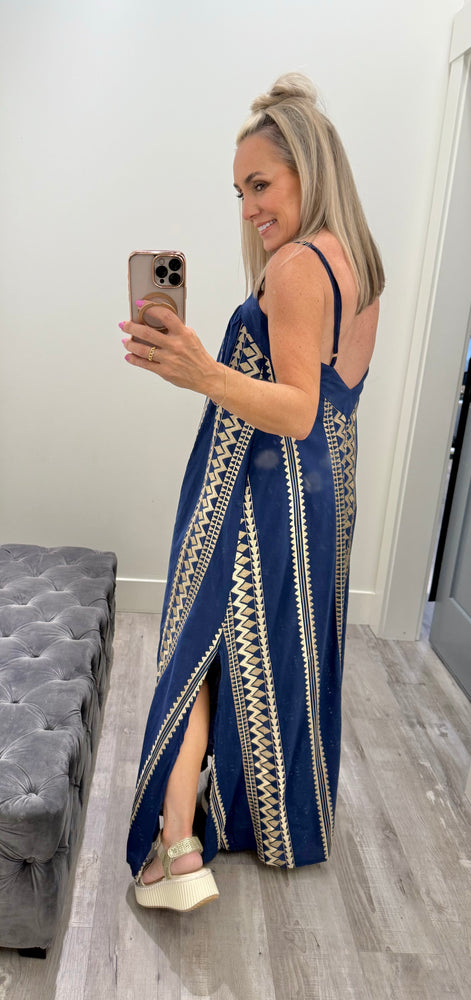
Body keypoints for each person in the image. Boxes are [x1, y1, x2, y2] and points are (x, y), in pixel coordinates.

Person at [121, 72, 384, 911]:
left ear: (309, 168)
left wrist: (201, 370)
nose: (248, 209)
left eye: (260, 185)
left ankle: (176, 849)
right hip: (320, 492)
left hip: (257, 491)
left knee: (195, 650)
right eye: (239, 192)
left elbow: (297, 409)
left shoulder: (297, 265)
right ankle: (262, 824)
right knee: (264, 656)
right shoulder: (357, 262)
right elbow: (330, 402)